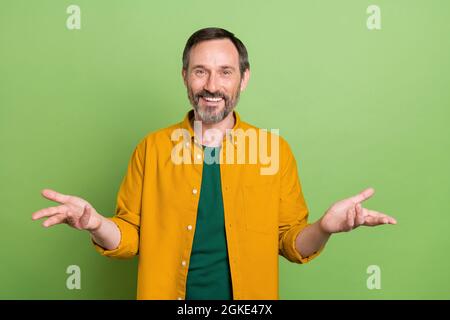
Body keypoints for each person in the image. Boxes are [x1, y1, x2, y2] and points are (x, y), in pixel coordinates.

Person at [32, 27, 396, 300]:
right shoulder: (152, 149)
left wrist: (325, 227)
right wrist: (96, 224)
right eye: (200, 71)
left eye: (225, 72)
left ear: (244, 79)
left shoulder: (273, 150)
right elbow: (129, 237)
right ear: (185, 77)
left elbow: (291, 243)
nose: (212, 84)